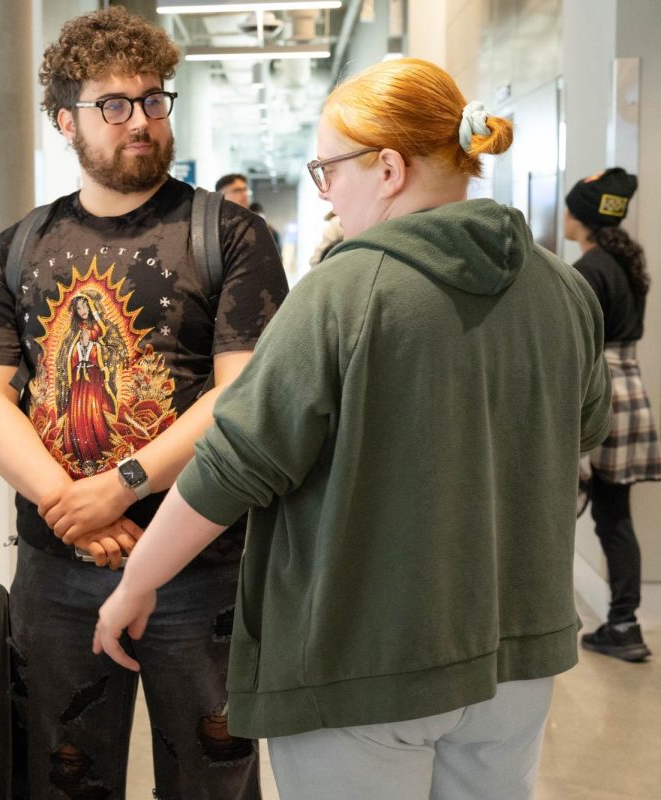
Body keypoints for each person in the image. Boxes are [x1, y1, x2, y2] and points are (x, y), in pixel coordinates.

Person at [94, 57, 611, 800]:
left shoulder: (345, 290)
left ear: (390, 168)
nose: (327, 190)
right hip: (517, 653)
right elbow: (579, 429)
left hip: (361, 662)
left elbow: (233, 464)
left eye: (328, 169)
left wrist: (134, 585)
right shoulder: (562, 288)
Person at [0, 7, 286, 799]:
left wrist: (123, 484)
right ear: (65, 120)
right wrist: (67, 502)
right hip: (57, 569)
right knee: (60, 776)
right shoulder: (18, 248)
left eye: (152, 99)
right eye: (113, 104)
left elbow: (239, 393)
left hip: (201, 564)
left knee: (212, 777)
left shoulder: (231, 235)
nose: (139, 120)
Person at [565, 167, 658, 662]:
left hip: (601, 391)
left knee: (599, 514)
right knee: (614, 515)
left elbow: (578, 346)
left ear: (578, 217)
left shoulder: (588, 270)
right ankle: (625, 620)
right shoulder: (625, 264)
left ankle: (620, 622)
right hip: (629, 387)